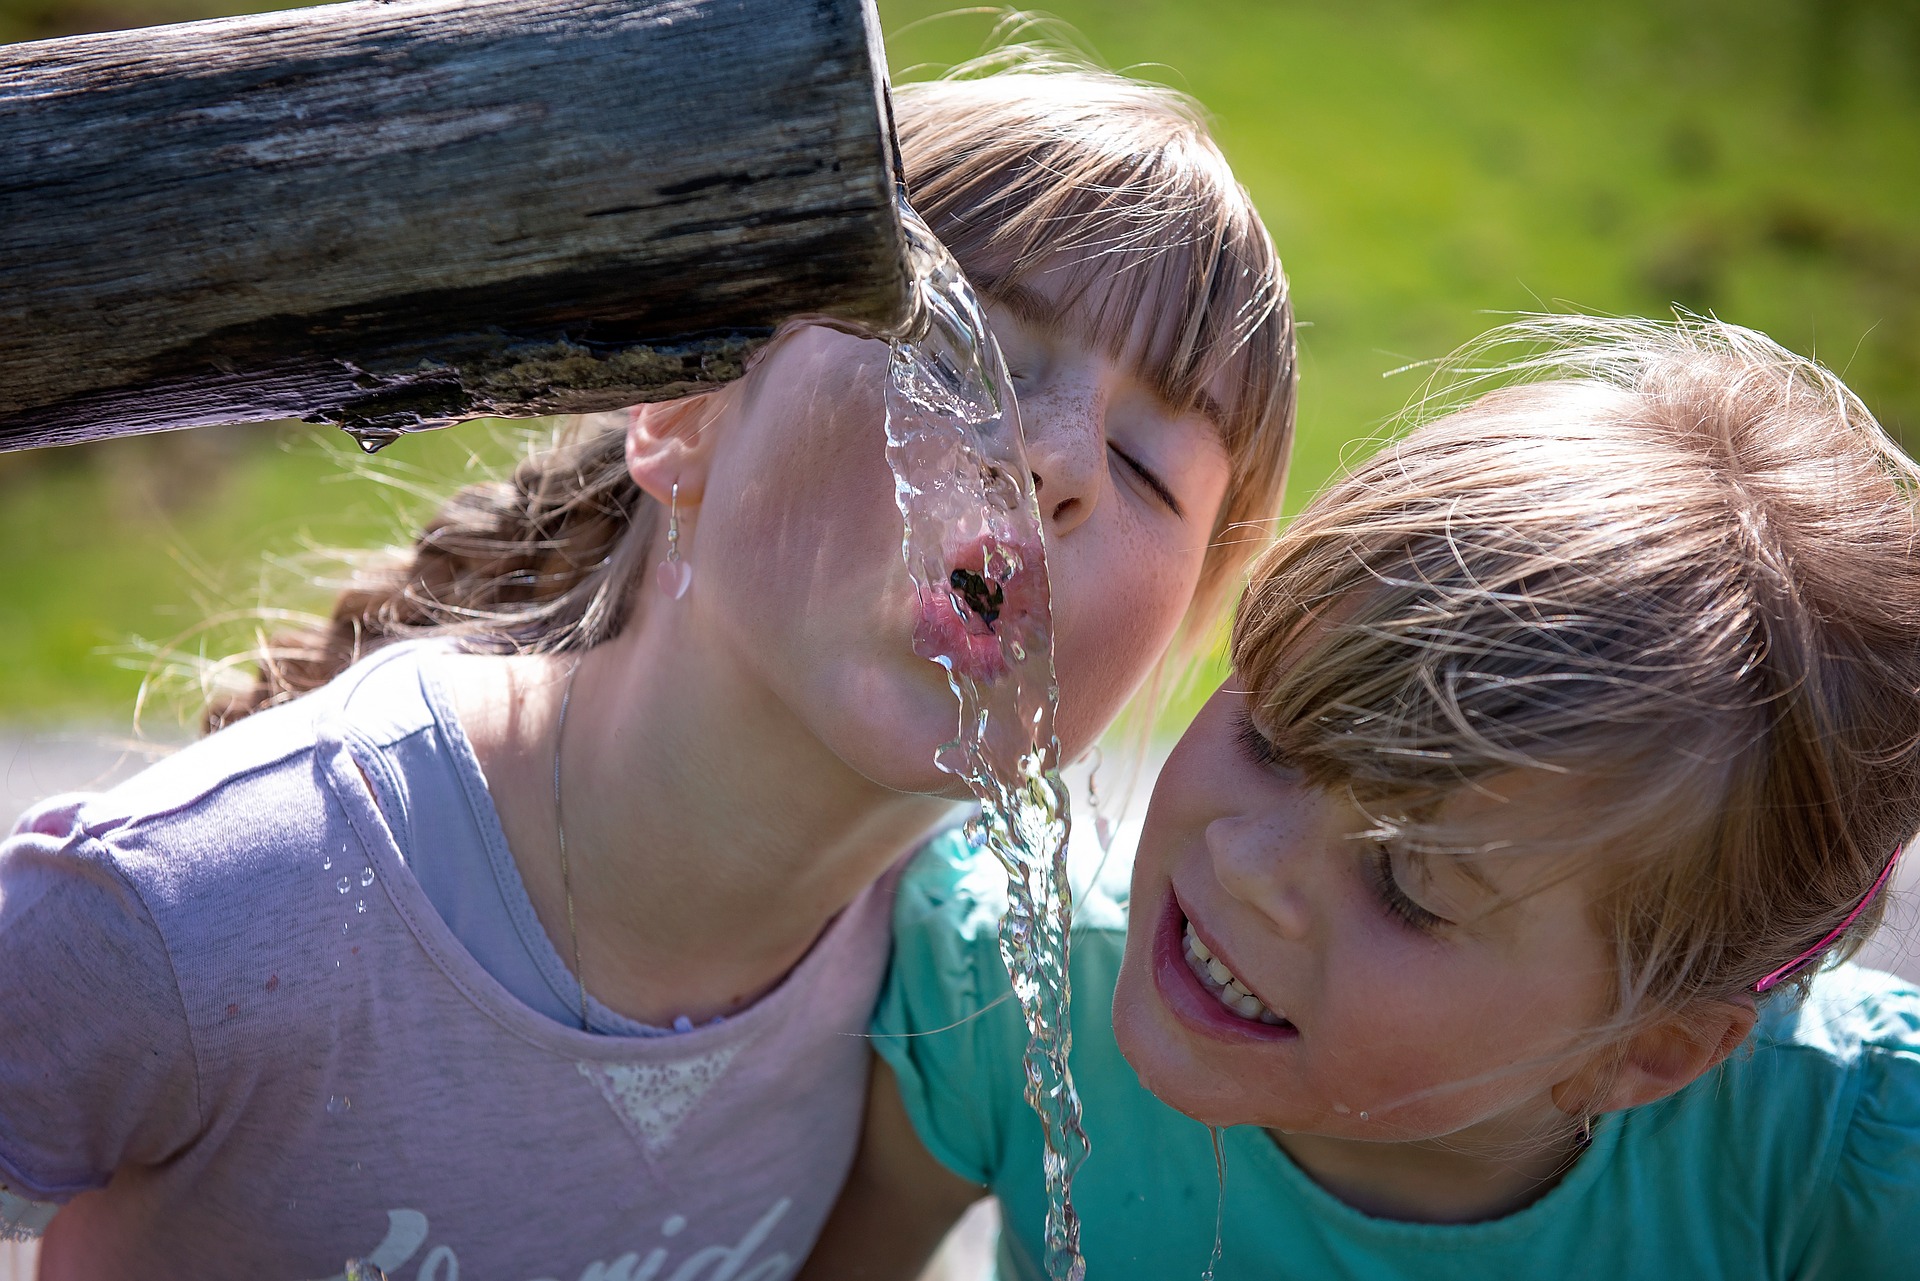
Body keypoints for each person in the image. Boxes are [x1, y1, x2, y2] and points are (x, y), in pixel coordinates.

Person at [0, 59, 1296, 1278]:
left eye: (1144, 468)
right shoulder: (221, 899)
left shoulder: (962, 994)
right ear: (680, 415)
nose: (1055, 462)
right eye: (967, 356)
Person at [809, 315, 1920, 1279]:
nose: (1249, 860)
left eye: (1406, 884)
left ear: (1646, 1052)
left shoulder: (1838, 1169)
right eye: (1274, 734)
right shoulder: (1009, 991)